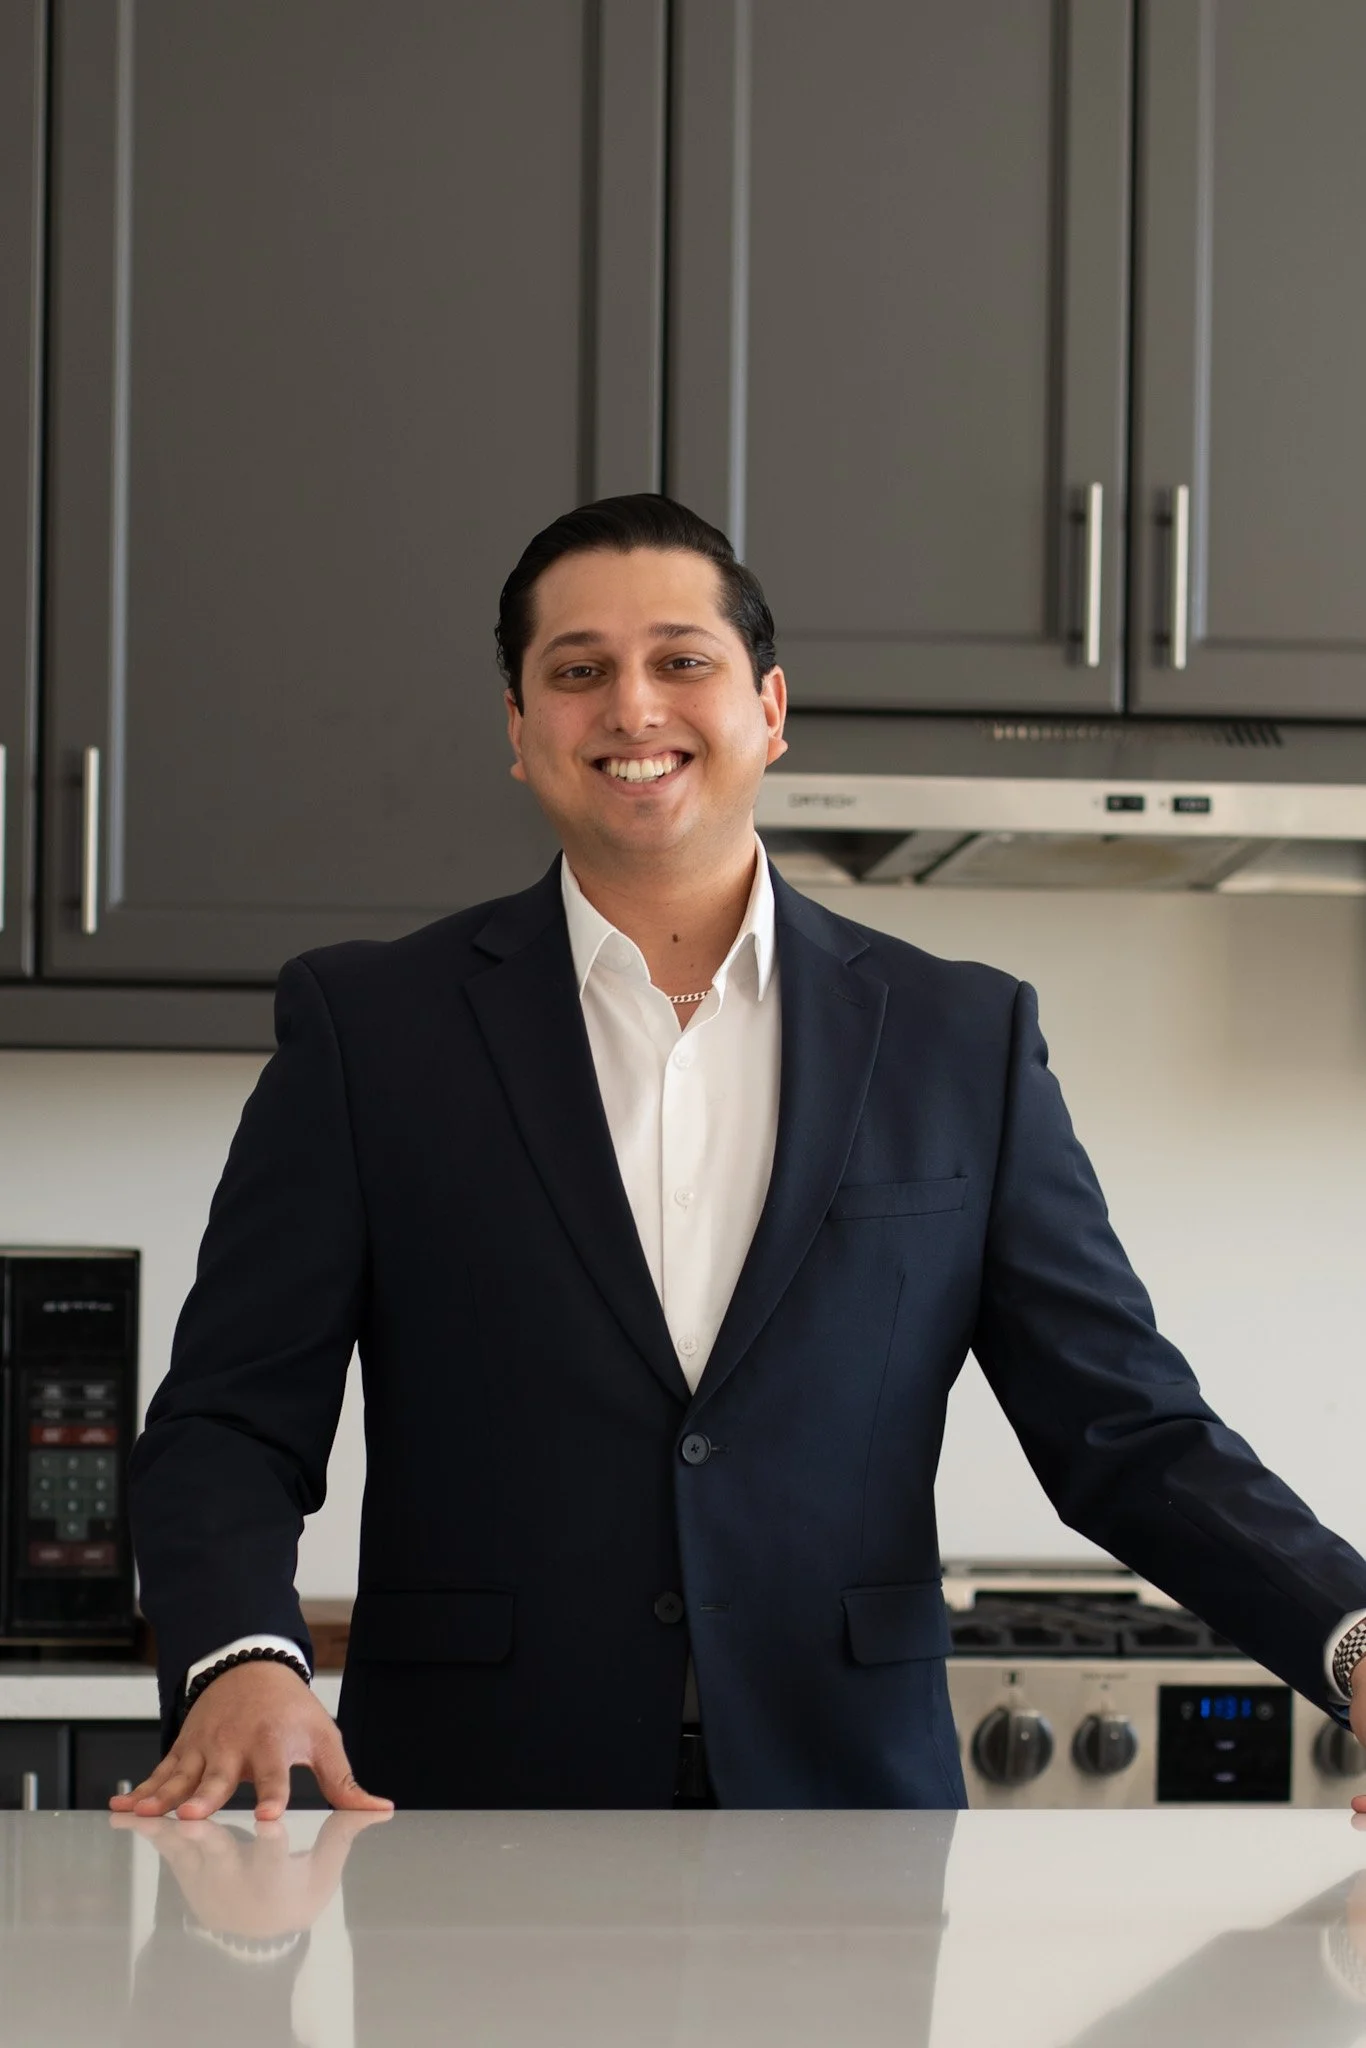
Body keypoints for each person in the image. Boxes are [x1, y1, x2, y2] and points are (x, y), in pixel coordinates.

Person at [115, 494, 1366, 1819]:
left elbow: (1125, 1431)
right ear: (519, 730)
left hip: (846, 1806)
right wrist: (239, 1657)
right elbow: (228, 1421)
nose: (631, 707)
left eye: (682, 661)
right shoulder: (371, 1029)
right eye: (577, 671)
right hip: (477, 1806)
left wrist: (1349, 1639)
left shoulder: (959, 1036)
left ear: (768, 708)